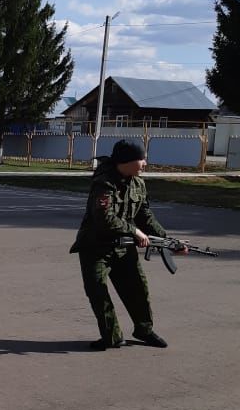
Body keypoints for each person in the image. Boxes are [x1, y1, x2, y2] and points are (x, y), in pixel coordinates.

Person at [71, 138, 179, 349]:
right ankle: (112, 337)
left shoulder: (138, 183)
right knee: (98, 292)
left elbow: (145, 216)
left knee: (138, 289)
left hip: (123, 247)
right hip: (95, 248)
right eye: (141, 159)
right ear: (127, 161)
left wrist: (167, 241)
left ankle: (144, 330)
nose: (145, 163)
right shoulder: (104, 183)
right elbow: (104, 218)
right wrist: (135, 231)